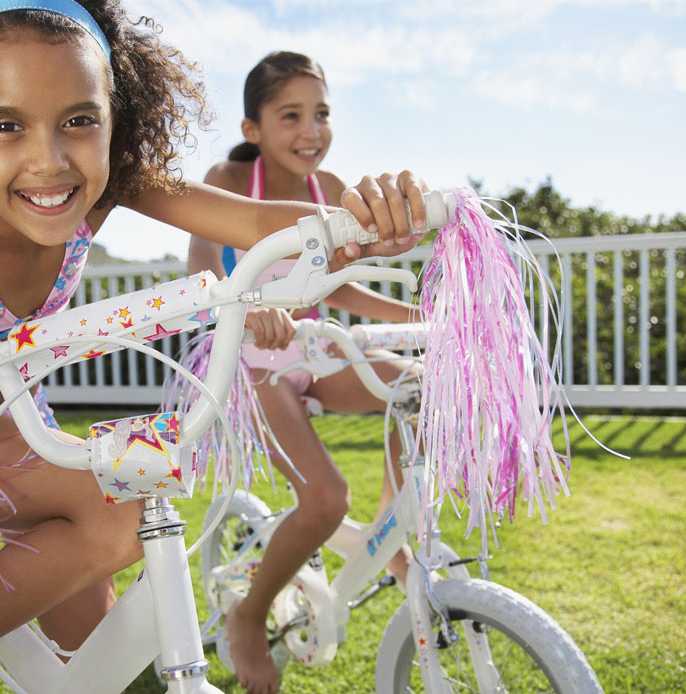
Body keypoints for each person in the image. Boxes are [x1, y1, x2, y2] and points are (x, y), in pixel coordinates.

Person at [0, 4, 427, 693]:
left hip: (21, 424)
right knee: (120, 515)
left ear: (113, 116)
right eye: (6, 125)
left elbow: (252, 222)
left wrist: (361, 224)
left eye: (79, 120)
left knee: (106, 663)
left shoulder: (103, 195)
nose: (49, 160)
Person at [188, 51, 422, 694]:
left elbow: (340, 289)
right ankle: (248, 615)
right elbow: (200, 275)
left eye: (321, 113)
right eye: (290, 115)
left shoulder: (330, 189)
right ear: (253, 127)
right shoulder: (230, 180)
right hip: (249, 364)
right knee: (323, 499)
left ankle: (389, 537)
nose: (311, 130)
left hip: (312, 348)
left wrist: (419, 312)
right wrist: (244, 305)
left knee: (414, 383)